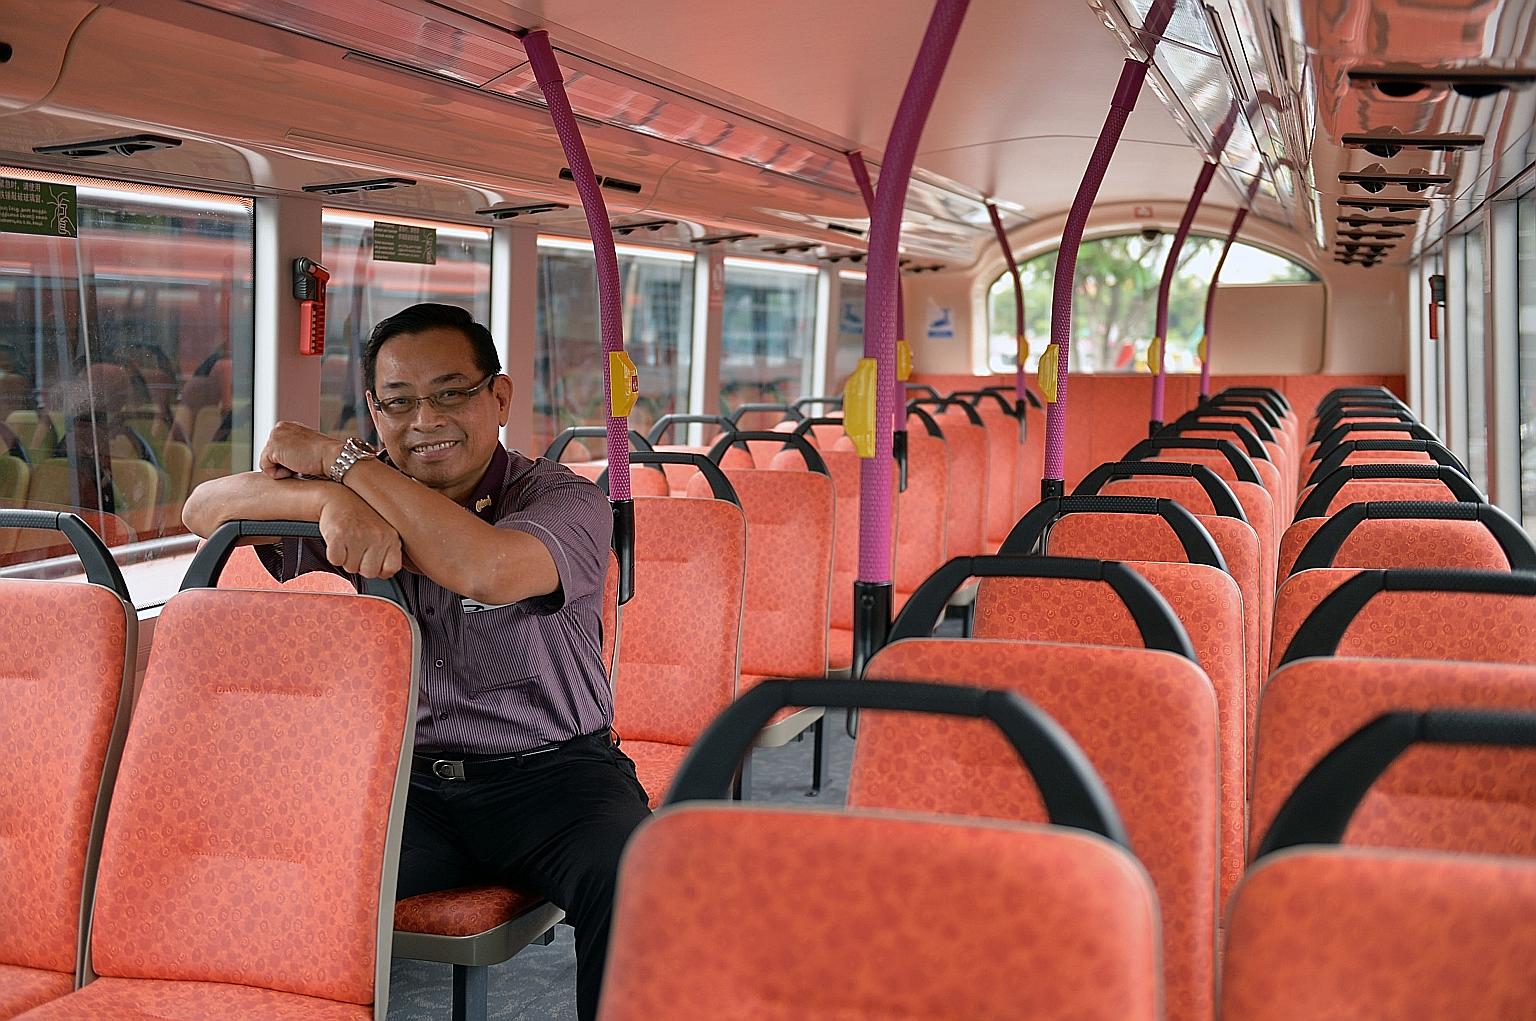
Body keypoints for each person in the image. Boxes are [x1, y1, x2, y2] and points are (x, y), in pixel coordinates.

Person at [183, 303, 650, 1021]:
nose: (424, 419)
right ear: (374, 411)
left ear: (499, 396)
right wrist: (325, 502)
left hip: (556, 779)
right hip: (409, 788)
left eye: (450, 393)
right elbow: (201, 506)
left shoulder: (563, 499)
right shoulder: (357, 502)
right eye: (399, 403)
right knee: (276, 887)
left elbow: (483, 566)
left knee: (635, 877)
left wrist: (345, 467)